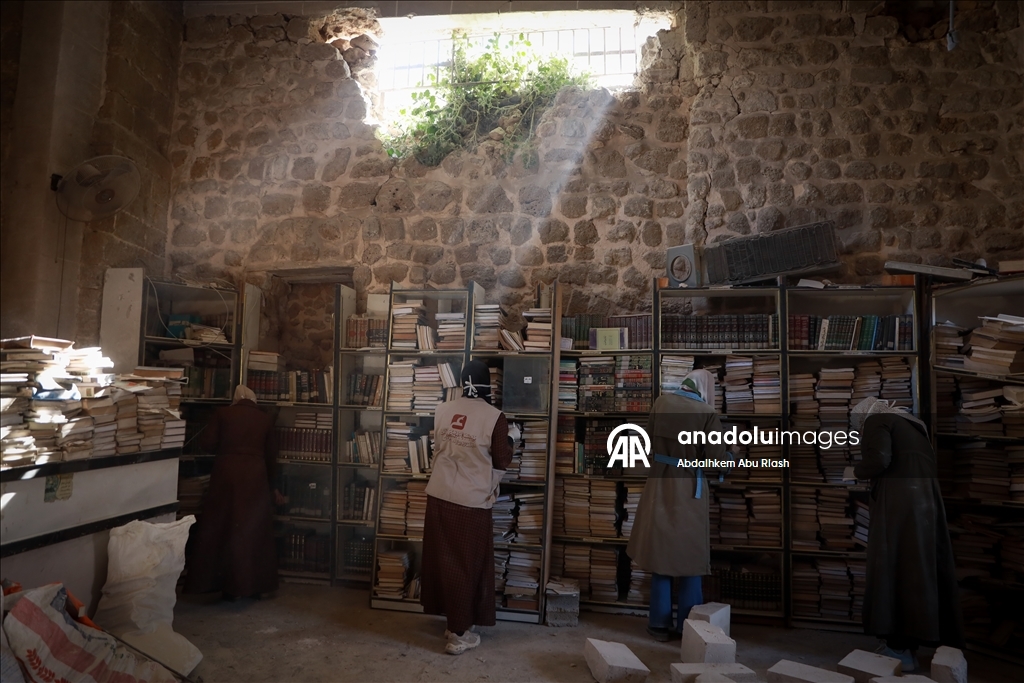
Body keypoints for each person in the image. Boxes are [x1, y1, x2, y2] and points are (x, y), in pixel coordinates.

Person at [850, 396, 964, 672]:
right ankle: (912, 644)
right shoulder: (912, 424)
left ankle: (898, 648)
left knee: (891, 569)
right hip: (924, 501)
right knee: (916, 571)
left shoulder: (877, 420)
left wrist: (856, 470)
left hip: (899, 502)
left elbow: (879, 458)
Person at [421, 360, 516, 655]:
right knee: (467, 566)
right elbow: (502, 459)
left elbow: (438, 447)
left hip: (438, 496)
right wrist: (512, 439)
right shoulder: (495, 417)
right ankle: (460, 634)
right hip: (470, 501)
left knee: (443, 563)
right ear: (489, 384)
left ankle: (453, 623)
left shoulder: (442, 409)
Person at [627, 369, 725, 641]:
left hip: (659, 483)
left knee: (662, 555)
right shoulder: (707, 413)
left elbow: (647, 440)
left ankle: (658, 625)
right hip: (689, 489)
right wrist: (732, 456)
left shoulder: (661, 403)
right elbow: (716, 459)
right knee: (690, 559)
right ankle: (688, 628)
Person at [185, 384, 280, 600]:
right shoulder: (264, 419)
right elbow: (271, 455)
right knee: (253, 530)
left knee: (221, 529)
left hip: (226, 476)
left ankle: (225, 586)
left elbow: (207, 444)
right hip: (255, 478)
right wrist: (272, 483)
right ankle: (254, 585)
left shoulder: (223, 414)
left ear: (236, 399)